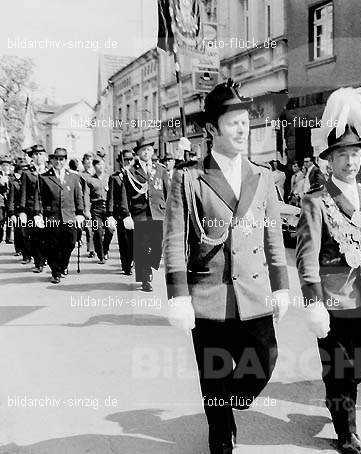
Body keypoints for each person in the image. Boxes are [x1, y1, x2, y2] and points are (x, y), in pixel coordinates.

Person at [163, 78, 290, 454]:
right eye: (231, 121)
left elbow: (273, 238)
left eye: (244, 121)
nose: (241, 128)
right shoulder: (188, 179)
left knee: (265, 359)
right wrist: (178, 297)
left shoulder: (263, 176)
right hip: (208, 294)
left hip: (252, 294)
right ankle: (220, 433)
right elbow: (174, 240)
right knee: (214, 374)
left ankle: (234, 400)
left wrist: (281, 286)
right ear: (211, 129)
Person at [296, 84, 361, 454]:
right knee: (339, 367)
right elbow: (306, 257)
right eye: (341, 154)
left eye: (355, 153)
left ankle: (338, 393)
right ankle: (346, 430)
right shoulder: (316, 202)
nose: (350, 161)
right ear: (329, 160)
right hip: (335, 298)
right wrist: (313, 303)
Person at [121, 139, 169, 292]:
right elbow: (124, 195)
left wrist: (171, 212)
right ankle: (145, 277)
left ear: (153, 152)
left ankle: (148, 267)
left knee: (157, 247)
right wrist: (126, 214)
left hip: (159, 213)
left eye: (149, 150)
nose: (146, 153)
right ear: (137, 153)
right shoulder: (130, 171)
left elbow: (167, 192)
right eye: (143, 150)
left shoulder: (161, 169)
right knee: (142, 247)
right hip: (139, 213)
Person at [34, 148, 85, 284]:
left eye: (61, 159)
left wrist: (80, 213)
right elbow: (39, 197)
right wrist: (38, 214)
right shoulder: (44, 177)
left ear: (65, 160)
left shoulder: (73, 177)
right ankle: (55, 272)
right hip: (52, 217)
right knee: (53, 245)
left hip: (69, 216)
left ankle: (63, 265)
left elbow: (78, 196)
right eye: (56, 159)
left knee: (71, 242)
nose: (58, 161)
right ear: (51, 160)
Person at [19, 145, 48, 272]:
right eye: (35, 154)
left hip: (47, 210)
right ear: (32, 157)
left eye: (41, 154)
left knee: (47, 237)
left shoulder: (50, 172)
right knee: (35, 237)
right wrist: (22, 211)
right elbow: (23, 193)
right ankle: (39, 263)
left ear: (45, 157)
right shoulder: (27, 173)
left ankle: (46, 258)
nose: (38, 157)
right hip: (31, 209)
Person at [106, 150, 134, 275]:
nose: (128, 162)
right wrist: (110, 214)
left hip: (135, 212)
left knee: (134, 240)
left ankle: (132, 259)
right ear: (120, 162)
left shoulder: (137, 175)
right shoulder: (115, 177)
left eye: (130, 159)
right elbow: (110, 197)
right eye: (125, 160)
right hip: (121, 213)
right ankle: (126, 266)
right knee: (124, 240)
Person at [83, 157, 111, 264]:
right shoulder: (90, 180)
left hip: (108, 209)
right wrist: (87, 210)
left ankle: (106, 249)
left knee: (110, 230)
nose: (101, 166)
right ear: (94, 167)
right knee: (98, 232)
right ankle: (101, 255)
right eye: (98, 165)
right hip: (96, 209)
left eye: (102, 164)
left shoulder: (109, 178)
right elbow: (86, 195)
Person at [7, 162, 28, 257]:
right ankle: (20, 249)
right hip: (17, 211)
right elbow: (11, 199)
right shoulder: (14, 183)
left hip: (29, 211)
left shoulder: (29, 182)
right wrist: (11, 213)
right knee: (19, 232)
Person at [79, 152, 95, 258]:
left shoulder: (97, 174)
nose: (89, 161)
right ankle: (91, 249)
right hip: (86, 203)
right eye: (87, 159)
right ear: (83, 162)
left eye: (91, 159)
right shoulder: (81, 175)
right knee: (89, 227)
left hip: (97, 203)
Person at [0, 155, 12, 243]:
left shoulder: (12, 176)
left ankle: (8, 238)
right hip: (1, 200)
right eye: (3, 165)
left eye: (7, 165)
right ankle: (0, 236)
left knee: (9, 219)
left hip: (10, 200)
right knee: (1, 219)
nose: (5, 167)